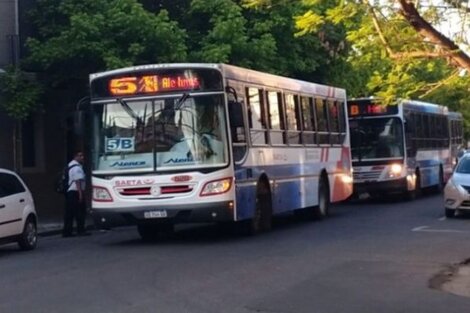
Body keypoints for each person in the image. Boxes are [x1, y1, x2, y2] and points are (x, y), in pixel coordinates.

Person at [63, 151, 90, 237]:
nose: (82, 157)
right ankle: (80, 230)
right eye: (80, 155)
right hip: (75, 192)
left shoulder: (70, 165)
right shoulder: (76, 168)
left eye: (82, 155)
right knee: (80, 212)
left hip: (70, 192)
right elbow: (77, 181)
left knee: (69, 213)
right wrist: (80, 194)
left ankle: (67, 231)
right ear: (75, 157)